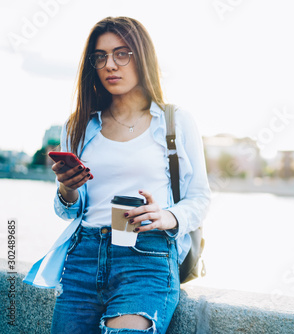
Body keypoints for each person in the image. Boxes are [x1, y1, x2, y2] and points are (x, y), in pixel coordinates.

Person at [23, 16, 211, 333]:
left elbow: (201, 197)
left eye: (122, 54)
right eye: (101, 56)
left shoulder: (175, 121)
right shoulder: (79, 125)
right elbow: (69, 209)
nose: (110, 64)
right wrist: (66, 189)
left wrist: (167, 216)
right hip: (83, 257)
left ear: (143, 58)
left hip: (146, 256)